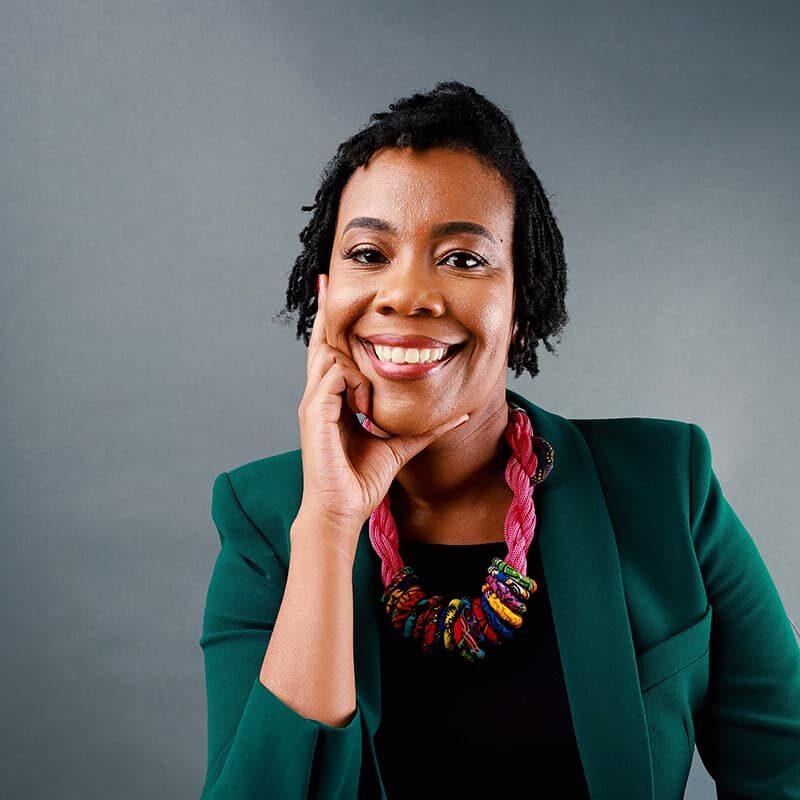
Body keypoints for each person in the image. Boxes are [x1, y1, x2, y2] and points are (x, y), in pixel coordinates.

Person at [198, 81, 800, 799]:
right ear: (325, 293)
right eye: (368, 253)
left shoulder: (667, 486)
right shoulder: (264, 520)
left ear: (521, 305)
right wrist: (329, 525)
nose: (405, 294)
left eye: (462, 259)